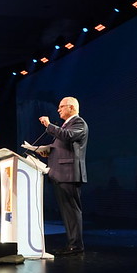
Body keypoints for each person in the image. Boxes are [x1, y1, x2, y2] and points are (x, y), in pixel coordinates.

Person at [37, 96, 89, 256]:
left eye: (61, 106)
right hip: (60, 173)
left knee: (72, 211)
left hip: (69, 173)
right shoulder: (67, 125)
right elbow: (63, 144)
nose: (58, 109)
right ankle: (72, 243)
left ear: (72, 107)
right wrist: (48, 151)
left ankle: (76, 245)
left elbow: (68, 136)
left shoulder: (79, 123)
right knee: (67, 212)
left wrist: (48, 125)